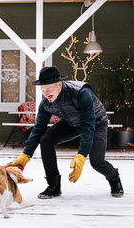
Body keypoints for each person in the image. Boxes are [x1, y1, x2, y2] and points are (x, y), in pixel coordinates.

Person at [10, 66, 123, 199]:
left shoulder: (81, 93)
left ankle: (114, 178)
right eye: (42, 90)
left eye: (48, 89)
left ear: (59, 85)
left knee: (96, 162)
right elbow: (38, 130)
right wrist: (26, 154)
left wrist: (81, 155)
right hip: (71, 123)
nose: (45, 93)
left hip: (96, 123)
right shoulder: (45, 104)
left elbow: (88, 126)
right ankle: (54, 185)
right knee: (45, 140)